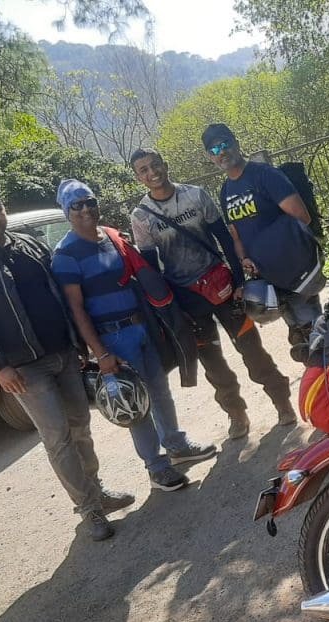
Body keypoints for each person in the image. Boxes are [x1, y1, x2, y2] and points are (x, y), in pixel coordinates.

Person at [0, 188, 134, 541]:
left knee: (81, 427)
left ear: (4, 209)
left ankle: (97, 492)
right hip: (23, 368)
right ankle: (89, 510)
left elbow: (59, 295)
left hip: (62, 353)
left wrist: (77, 343)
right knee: (58, 437)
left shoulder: (29, 246)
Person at [50, 179, 215, 492]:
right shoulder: (66, 255)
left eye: (89, 201)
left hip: (141, 327)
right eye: (77, 205)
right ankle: (156, 467)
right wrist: (100, 353)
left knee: (159, 390)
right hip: (112, 339)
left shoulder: (111, 236)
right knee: (134, 403)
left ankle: (176, 445)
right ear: (66, 212)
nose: (86, 209)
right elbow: (76, 310)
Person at [128, 148, 296, 435]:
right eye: (143, 169)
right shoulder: (141, 217)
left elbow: (226, 240)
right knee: (213, 362)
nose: (152, 172)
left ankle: (282, 403)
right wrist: (171, 309)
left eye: (155, 164)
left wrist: (240, 281)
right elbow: (151, 269)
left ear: (165, 164)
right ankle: (236, 414)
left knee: (251, 348)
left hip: (224, 288)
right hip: (188, 299)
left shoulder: (196, 195)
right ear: (138, 177)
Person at [200, 123, 323, 364]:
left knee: (316, 331)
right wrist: (244, 259)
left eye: (224, 144)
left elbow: (301, 216)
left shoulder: (264, 174)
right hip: (267, 278)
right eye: (214, 150)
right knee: (298, 336)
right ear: (209, 157)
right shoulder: (226, 191)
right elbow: (236, 235)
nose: (221, 152)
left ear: (236, 143)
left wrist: (272, 249)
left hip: (294, 267)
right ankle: (320, 385)